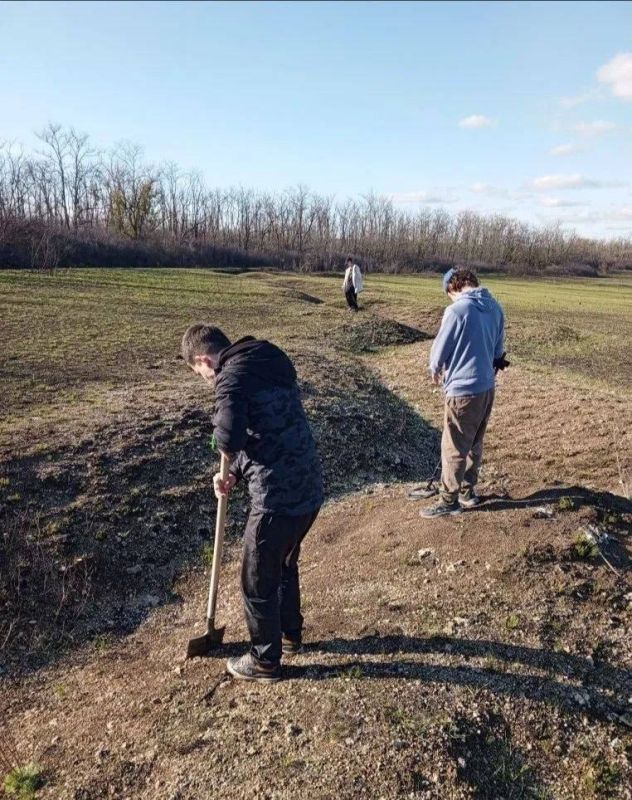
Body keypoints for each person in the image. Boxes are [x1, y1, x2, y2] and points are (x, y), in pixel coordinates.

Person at [181, 324, 324, 683]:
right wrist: (234, 472)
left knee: (257, 578)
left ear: (204, 360)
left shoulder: (230, 378)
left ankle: (264, 661)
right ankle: (289, 636)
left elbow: (227, 437)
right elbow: (266, 429)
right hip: (308, 487)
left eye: (201, 374)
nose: (206, 381)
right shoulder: (268, 358)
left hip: (277, 497)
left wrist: (220, 448)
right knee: (285, 561)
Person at [420, 267, 505, 518]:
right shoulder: (496, 308)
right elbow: (499, 353)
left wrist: (434, 368)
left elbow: (439, 350)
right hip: (487, 389)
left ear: (452, 287)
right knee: (474, 442)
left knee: (454, 444)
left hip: (462, 389)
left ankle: (449, 500)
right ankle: (468, 492)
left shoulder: (457, 310)